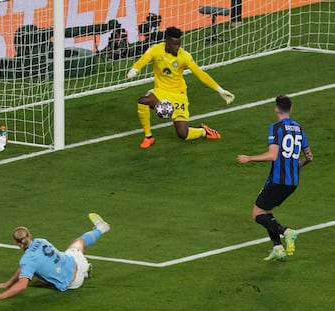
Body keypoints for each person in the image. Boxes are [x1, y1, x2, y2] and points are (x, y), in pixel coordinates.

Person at [126, 26, 235, 149]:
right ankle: (148, 137)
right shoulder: (156, 50)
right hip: (160, 91)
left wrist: (219, 90)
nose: (177, 47)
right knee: (143, 101)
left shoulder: (184, 56)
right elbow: (143, 60)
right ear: (167, 41)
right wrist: (134, 69)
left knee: (183, 134)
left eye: (179, 44)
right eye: (174, 44)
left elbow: (200, 74)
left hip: (179, 95)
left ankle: (203, 131)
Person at [237, 95, 313, 261]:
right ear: (291, 109)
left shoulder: (276, 127)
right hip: (293, 182)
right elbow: (309, 157)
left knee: (257, 214)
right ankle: (278, 248)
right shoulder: (299, 129)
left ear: (276, 109)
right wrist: (296, 166)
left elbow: (272, 155)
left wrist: (249, 158)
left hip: (278, 179)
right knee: (267, 211)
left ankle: (286, 232)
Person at [0, 213, 110, 299]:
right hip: (77, 262)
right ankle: (101, 228)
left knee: (35, 275)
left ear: (16, 243)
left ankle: (86, 271)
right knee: (79, 242)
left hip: (73, 283)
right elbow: (24, 267)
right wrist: (8, 282)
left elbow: (22, 285)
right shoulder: (40, 241)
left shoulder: (26, 260)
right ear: (30, 235)